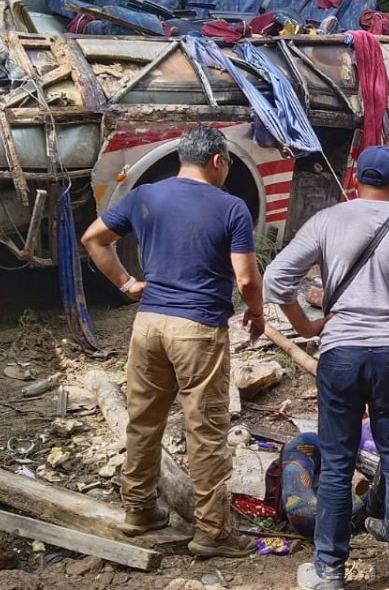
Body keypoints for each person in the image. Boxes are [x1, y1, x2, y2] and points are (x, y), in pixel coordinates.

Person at [264, 145, 389, 590]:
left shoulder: (327, 221)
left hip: (340, 354)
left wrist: (306, 326)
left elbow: (276, 280)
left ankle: (329, 572)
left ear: (355, 181)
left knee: (336, 461)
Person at [80, 124, 263, 558]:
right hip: (198, 330)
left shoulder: (145, 195)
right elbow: (245, 278)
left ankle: (139, 509)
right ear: (217, 161)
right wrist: (256, 313)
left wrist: (127, 283)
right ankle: (212, 532)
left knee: (143, 421)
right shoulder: (231, 207)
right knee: (206, 430)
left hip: (149, 325)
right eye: (227, 164)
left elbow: (93, 238)